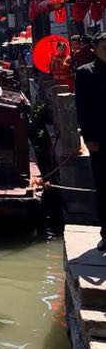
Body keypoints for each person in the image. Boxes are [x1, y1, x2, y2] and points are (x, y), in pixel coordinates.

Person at [75, 31, 106, 250]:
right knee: (103, 186)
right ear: (94, 49)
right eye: (104, 47)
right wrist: (89, 137)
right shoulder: (85, 73)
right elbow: (82, 109)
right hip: (100, 138)